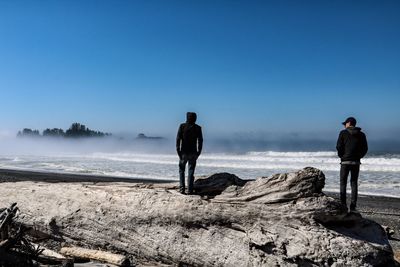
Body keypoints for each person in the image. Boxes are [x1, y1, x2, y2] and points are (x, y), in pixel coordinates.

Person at [336, 117, 368, 212]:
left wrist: (342, 156)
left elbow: (338, 146)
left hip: (345, 162)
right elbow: (365, 148)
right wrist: (359, 156)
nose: (344, 125)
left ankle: (343, 205)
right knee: (354, 184)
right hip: (356, 162)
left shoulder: (343, 133)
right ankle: (353, 207)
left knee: (343, 183)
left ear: (349, 123)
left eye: (345, 123)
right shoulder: (362, 134)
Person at [176, 112, 203, 194]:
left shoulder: (182, 126)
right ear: (195, 118)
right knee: (191, 171)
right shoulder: (198, 128)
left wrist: (178, 151)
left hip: (183, 152)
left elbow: (178, 139)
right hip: (193, 152)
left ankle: (182, 188)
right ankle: (190, 190)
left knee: (181, 170)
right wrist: (199, 152)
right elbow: (200, 141)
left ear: (187, 117)